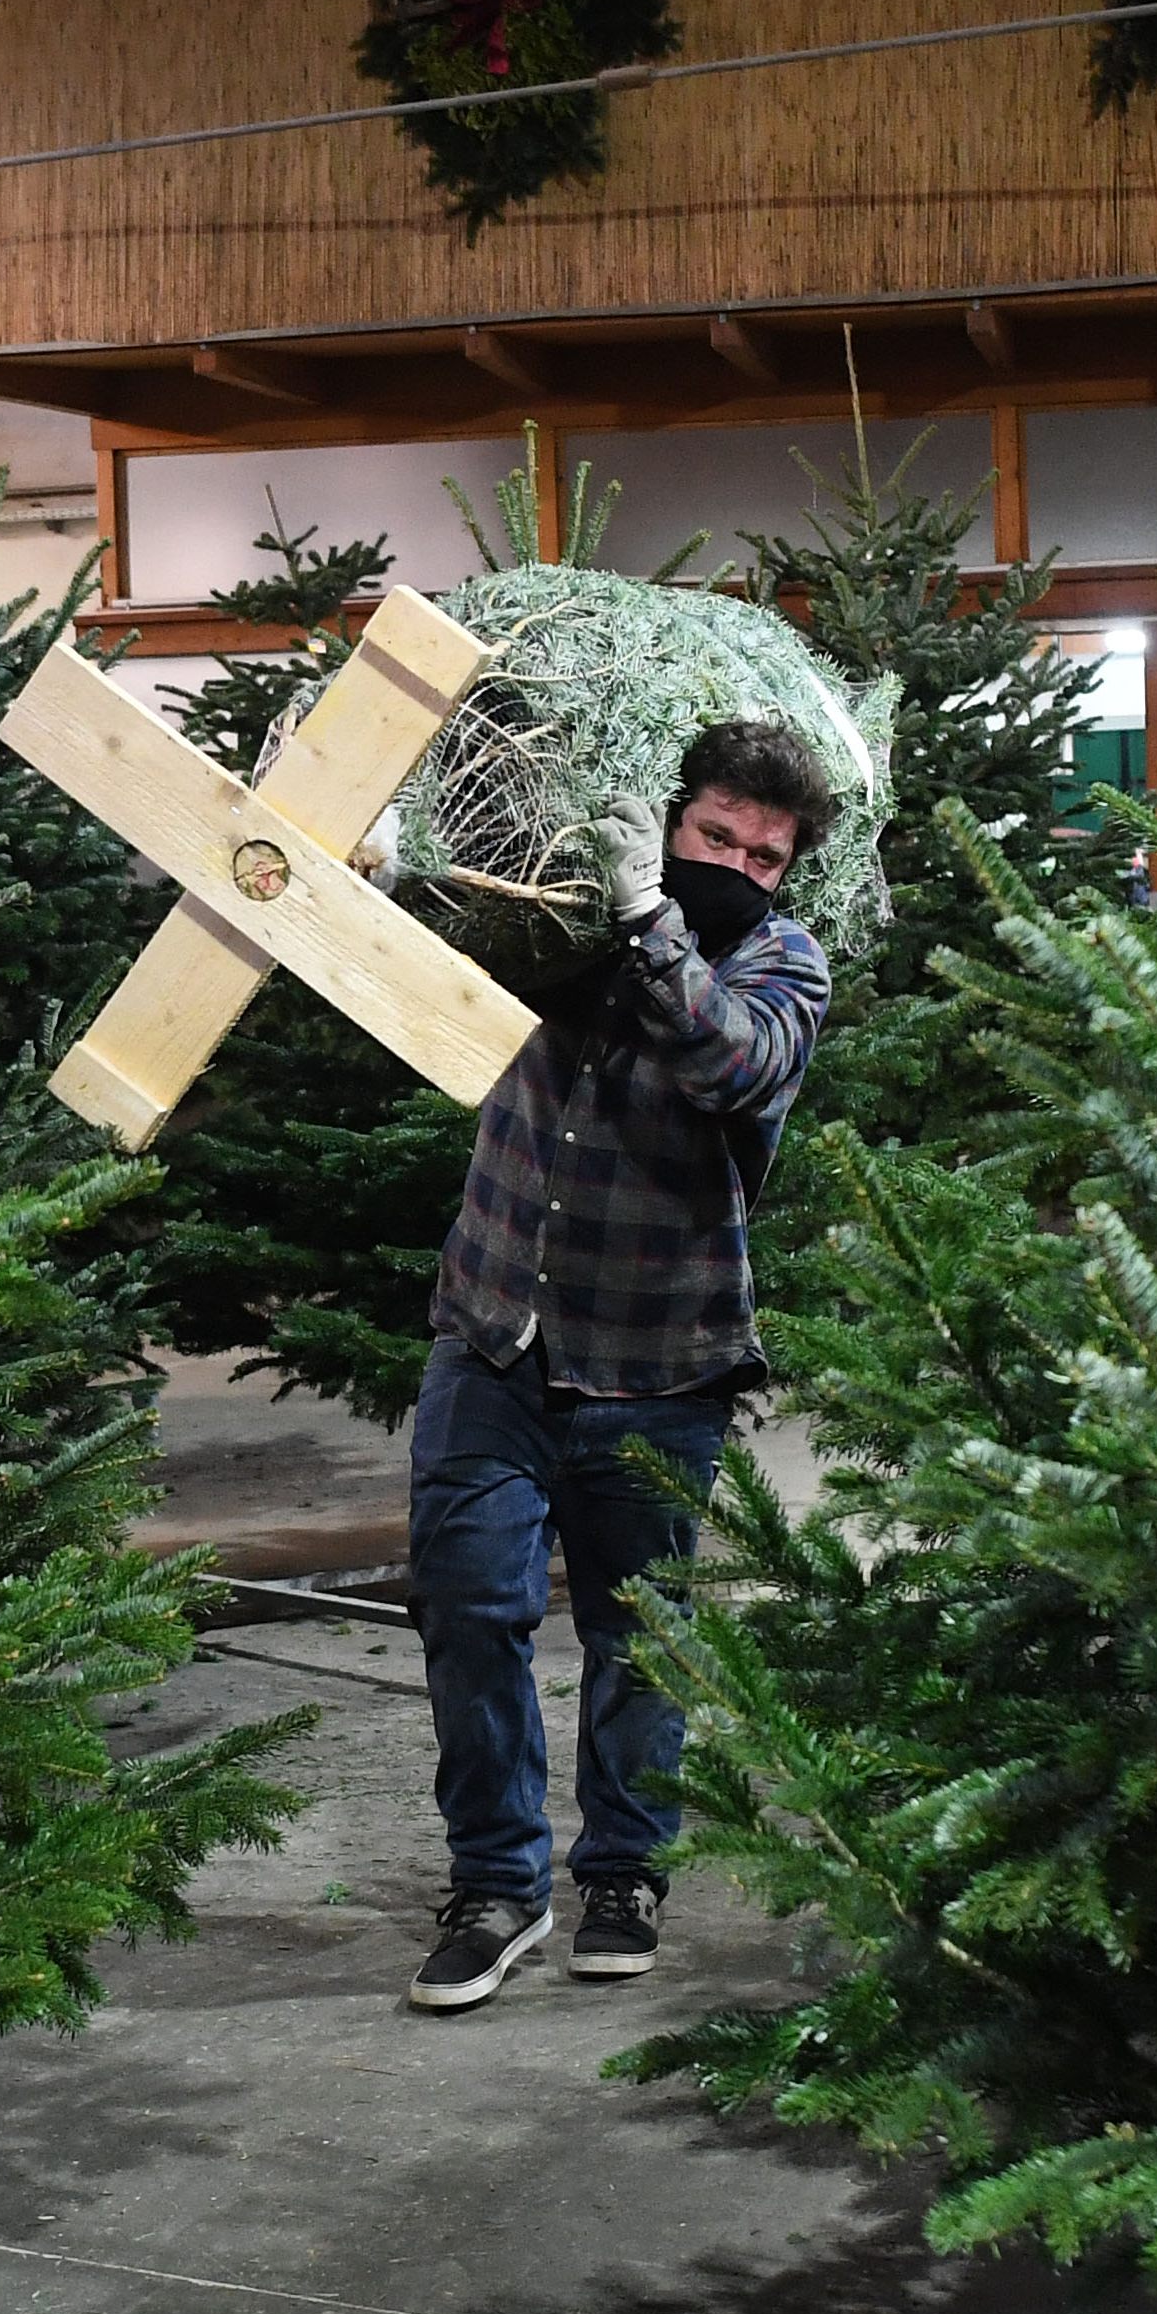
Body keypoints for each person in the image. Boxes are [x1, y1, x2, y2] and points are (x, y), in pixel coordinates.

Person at [401, 716, 835, 2012]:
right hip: (494, 1336)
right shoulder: (559, 918)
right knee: (468, 1608)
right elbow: (425, 943)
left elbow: (731, 1061)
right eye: (716, 837)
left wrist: (658, 918)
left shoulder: (782, 964)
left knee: (638, 1638)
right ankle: (493, 1886)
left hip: (659, 1363)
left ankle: (622, 1875)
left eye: (765, 855)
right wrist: (382, 866)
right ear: (664, 817)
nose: (740, 868)